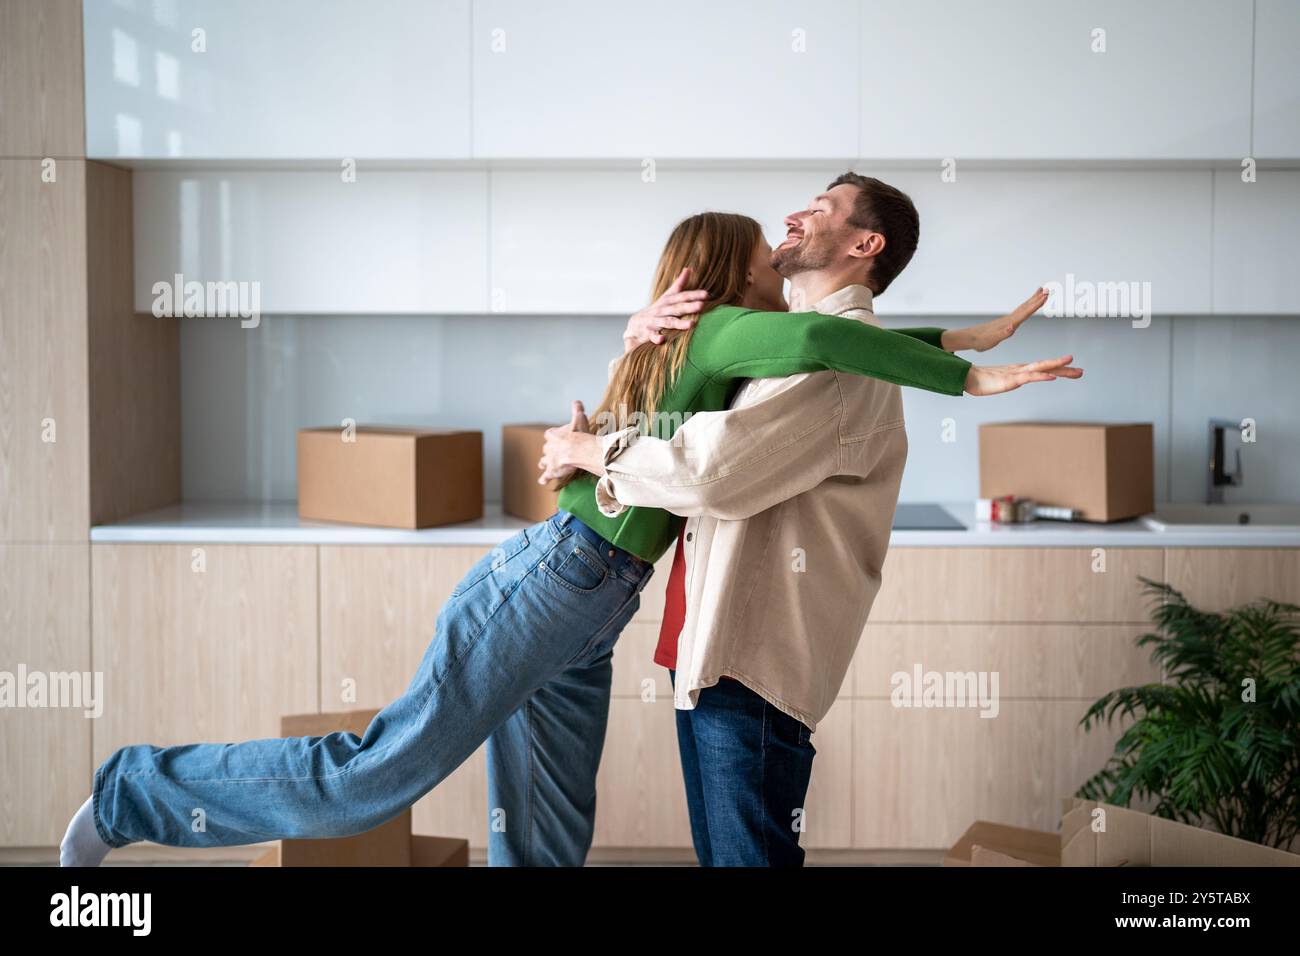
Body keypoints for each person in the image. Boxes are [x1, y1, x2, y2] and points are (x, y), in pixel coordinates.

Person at [61, 190, 1077, 868]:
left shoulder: (705, 343)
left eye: (808, 220)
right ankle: (131, 794)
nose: (783, 241)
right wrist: (967, 372)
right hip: (559, 581)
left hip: (588, 603)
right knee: (373, 775)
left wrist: (955, 338)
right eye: (767, 248)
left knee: (546, 836)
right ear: (732, 279)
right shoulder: (734, 331)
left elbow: (829, 337)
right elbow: (821, 336)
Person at [532, 175, 1076, 866]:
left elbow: (708, 472)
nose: (792, 215)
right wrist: (632, 349)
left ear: (864, 243)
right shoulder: (793, 348)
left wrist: (592, 452)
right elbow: (673, 408)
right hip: (711, 651)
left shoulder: (833, 365)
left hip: (749, 662)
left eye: (820, 209)